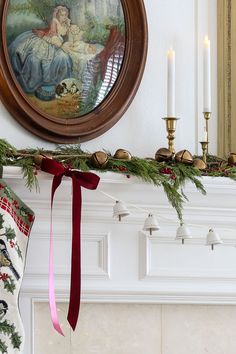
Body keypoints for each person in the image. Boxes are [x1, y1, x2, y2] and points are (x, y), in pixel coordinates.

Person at [8, 6, 72, 96]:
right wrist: (60, 45)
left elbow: (64, 33)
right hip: (49, 41)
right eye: (62, 15)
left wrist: (67, 24)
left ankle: (51, 82)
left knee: (60, 56)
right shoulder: (54, 21)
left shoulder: (65, 22)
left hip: (56, 41)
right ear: (57, 15)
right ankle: (46, 80)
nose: (64, 17)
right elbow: (53, 36)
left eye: (65, 15)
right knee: (45, 57)